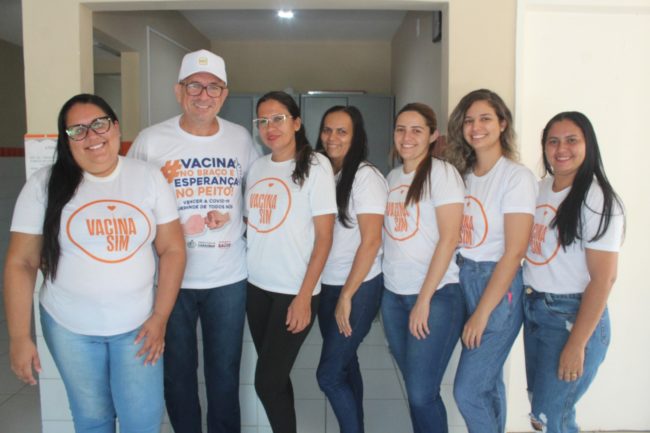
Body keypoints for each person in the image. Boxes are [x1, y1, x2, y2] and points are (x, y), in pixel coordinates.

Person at [4, 93, 185, 433]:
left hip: (138, 326)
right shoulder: (43, 185)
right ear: (67, 140)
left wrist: (160, 317)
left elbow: (172, 249)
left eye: (99, 124)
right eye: (78, 130)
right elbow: (21, 262)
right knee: (92, 420)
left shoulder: (148, 178)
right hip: (69, 327)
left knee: (142, 422)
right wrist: (18, 336)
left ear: (115, 127)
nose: (92, 136)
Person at [128, 49, 259, 433]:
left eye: (213, 87)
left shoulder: (239, 138)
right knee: (178, 373)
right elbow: (132, 204)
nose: (204, 95)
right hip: (172, 280)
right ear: (178, 91)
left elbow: (257, 193)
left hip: (228, 278)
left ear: (224, 93)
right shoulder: (152, 141)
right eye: (194, 86)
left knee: (225, 373)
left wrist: (231, 218)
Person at [522, 112, 624, 433]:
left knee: (554, 419)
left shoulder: (598, 199)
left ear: (588, 145)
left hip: (570, 317)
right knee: (541, 414)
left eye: (571, 140)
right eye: (553, 141)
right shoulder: (539, 188)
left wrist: (577, 344)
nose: (561, 149)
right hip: (534, 307)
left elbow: (604, 279)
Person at [446, 89, 538, 433]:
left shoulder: (516, 177)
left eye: (485, 118)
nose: (476, 127)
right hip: (463, 277)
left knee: (468, 391)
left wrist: (482, 312)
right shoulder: (463, 175)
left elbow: (514, 252)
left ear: (502, 124)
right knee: (488, 381)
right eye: (469, 120)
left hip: (497, 286)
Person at [245, 91, 336, 433]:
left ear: (296, 123)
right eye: (263, 121)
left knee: (266, 382)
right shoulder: (257, 168)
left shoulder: (316, 166)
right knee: (277, 378)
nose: (270, 127)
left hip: (293, 291)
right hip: (256, 288)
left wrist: (304, 296)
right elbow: (254, 223)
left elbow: (324, 238)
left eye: (278, 118)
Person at [381, 103, 466, 433]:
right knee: (419, 390)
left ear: (433, 136)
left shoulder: (443, 174)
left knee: (420, 394)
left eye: (417, 130)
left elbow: (449, 238)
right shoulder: (392, 177)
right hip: (394, 296)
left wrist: (423, 300)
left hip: (436, 296)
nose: (407, 137)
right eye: (401, 129)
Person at [314, 105, 388, 433]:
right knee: (345, 364)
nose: (332, 137)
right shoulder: (322, 172)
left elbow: (371, 241)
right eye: (327, 130)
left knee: (328, 375)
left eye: (342, 131)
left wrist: (347, 295)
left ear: (356, 136)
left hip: (357, 288)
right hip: (327, 284)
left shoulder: (365, 176)